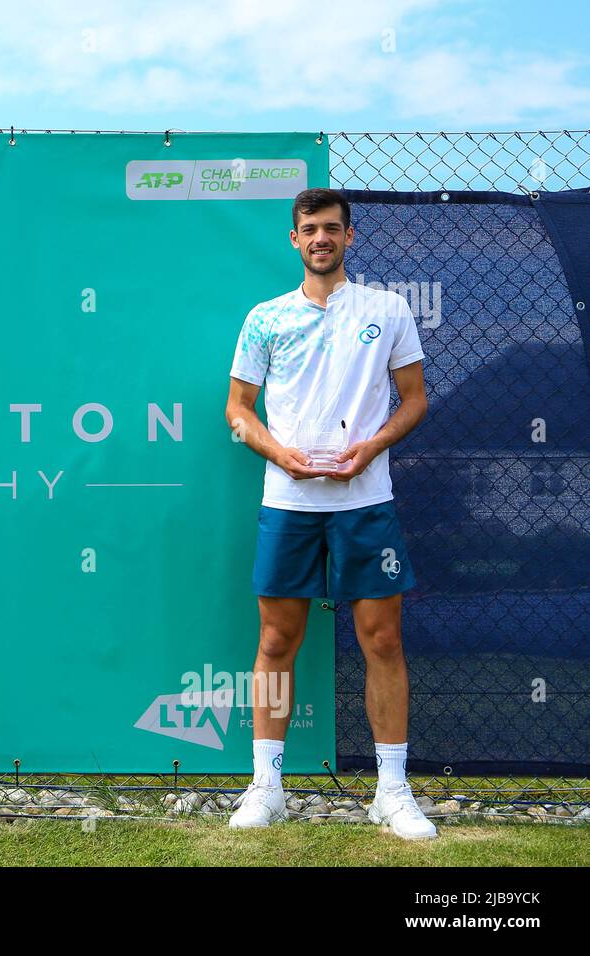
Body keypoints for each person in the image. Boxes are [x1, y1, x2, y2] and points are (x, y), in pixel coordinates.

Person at [223, 187, 436, 840]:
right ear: (294, 239)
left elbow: (415, 400)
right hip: (288, 502)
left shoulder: (387, 308)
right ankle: (268, 787)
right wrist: (280, 454)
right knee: (276, 643)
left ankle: (392, 793)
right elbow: (237, 409)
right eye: (309, 229)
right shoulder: (266, 318)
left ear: (350, 237)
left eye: (332, 229)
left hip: (366, 501)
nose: (321, 238)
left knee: (383, 641)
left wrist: (371, 445)